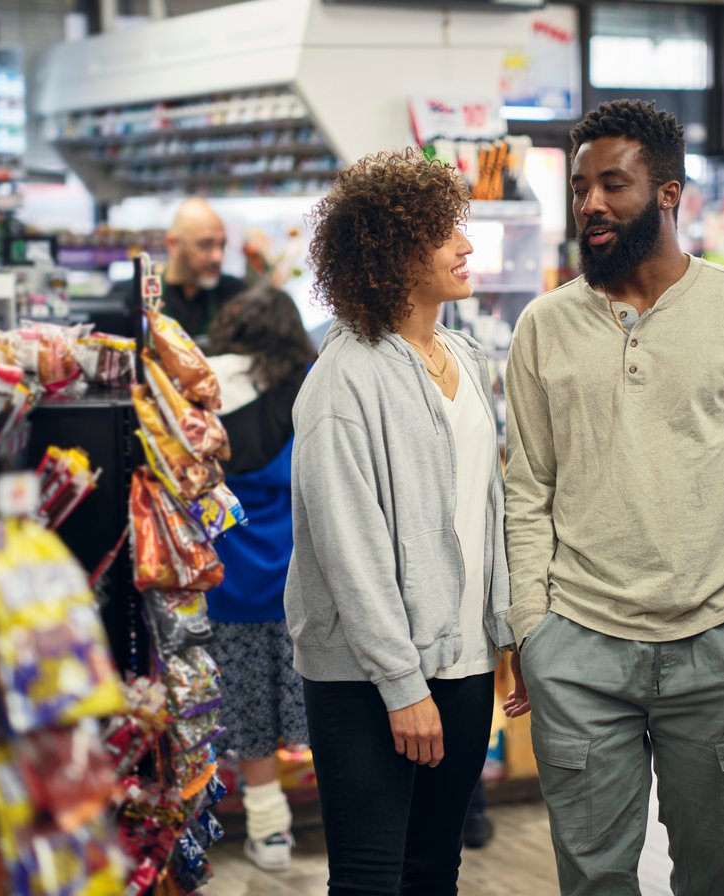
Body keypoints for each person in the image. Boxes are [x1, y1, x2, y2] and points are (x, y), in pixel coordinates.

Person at [501, 99, 724, 895]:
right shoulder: (544, 324)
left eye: (614, 184)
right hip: (579, 647)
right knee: (594, 880)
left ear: (669, 194)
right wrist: (534, 629)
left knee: (715, 878)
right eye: (580, 187)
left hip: (718, 643)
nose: (591, 204)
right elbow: (527, 485)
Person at [285, 147, 518, 895]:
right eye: (443, 232)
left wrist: (503, 627)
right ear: (390, 251)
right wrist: (401, 684)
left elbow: (489, 503)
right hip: (365, 675)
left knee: (434, 868)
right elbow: (349, 551)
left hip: (463, 659)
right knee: (369, 877)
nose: (467, 245)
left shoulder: (463, 356)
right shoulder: (341, 383)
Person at [202, 284, 316, 871]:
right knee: (320, 705)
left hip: (227, 578)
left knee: (244, 713)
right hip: (301, 581)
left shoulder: (205, 391)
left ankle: (269, 831)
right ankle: (349, 817)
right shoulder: (312, 386)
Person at [105, 198, 246, 345]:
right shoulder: (132, 295)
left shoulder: (234, 293)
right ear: (173, 244)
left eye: (222, 245)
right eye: (205, 245)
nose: (218, 257)